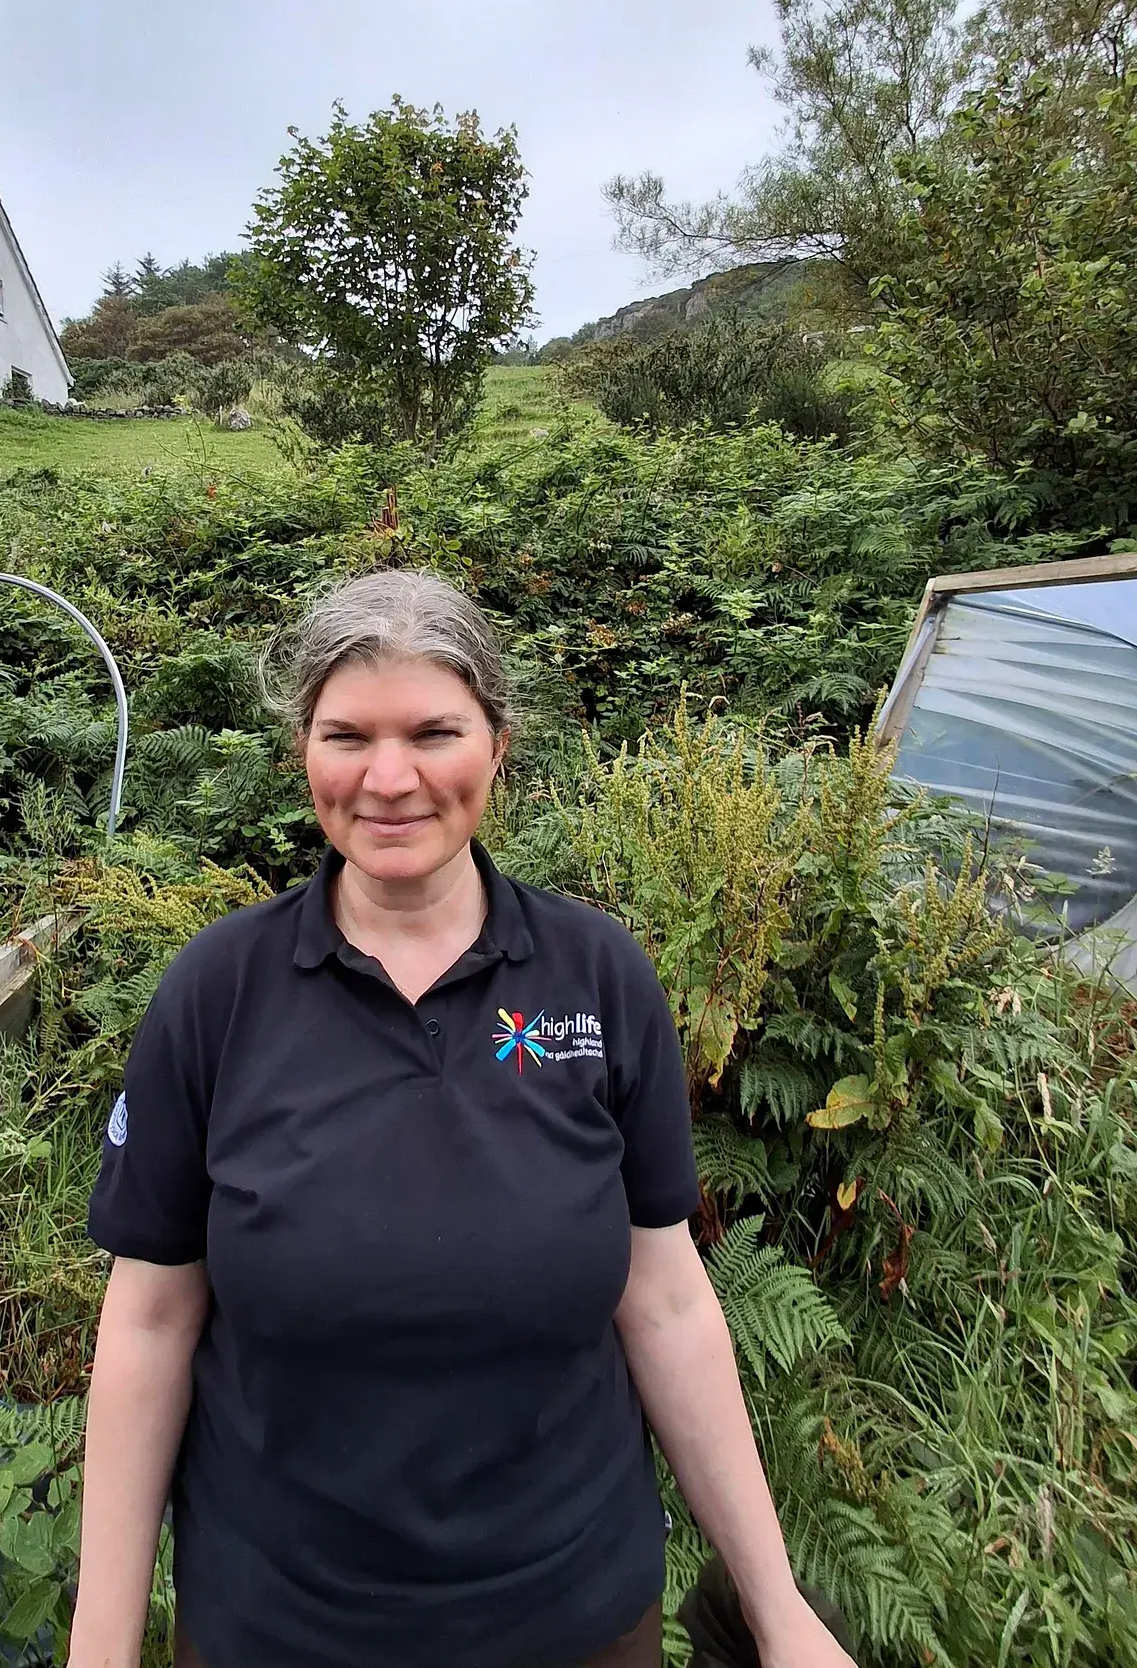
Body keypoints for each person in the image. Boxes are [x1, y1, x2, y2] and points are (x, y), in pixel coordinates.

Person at [69, 570, 857, 1668]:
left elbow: (668, 1304)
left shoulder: (598, 978)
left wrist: (779, 1618)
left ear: (496, 743)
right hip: (278, 1630)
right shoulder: (218, 993)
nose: (388, 779)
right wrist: (98, 1652)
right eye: (347, 734)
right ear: (304, 748)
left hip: (576, 1623)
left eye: (433, 731)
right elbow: (148, 1327)